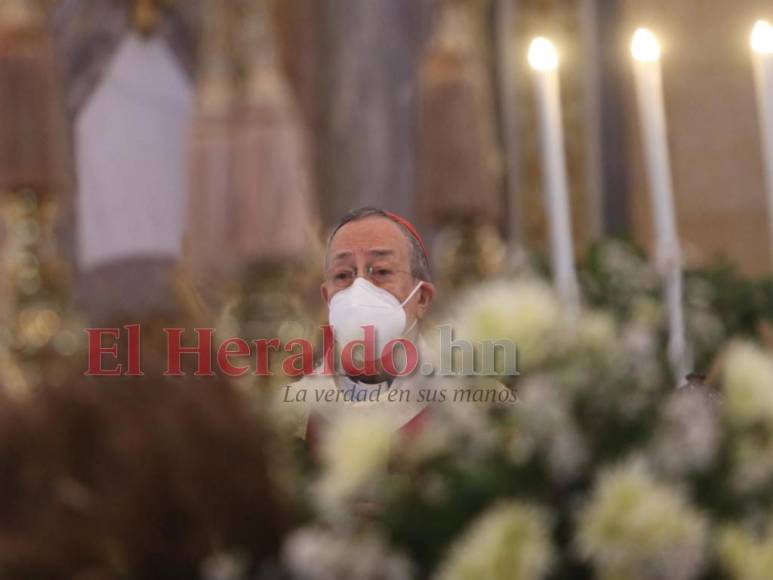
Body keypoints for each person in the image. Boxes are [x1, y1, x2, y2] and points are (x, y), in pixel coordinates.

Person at [284, 207, 463, 452]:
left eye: (381, 272)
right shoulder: (294, 412)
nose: (360, 288)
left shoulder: (467, 405)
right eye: (343, 275)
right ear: (327, 299)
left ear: (421, 298)